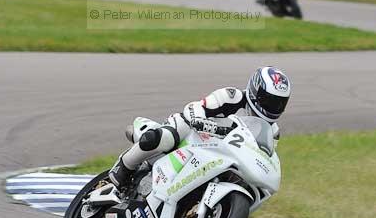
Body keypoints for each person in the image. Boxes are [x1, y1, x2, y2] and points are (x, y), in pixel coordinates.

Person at [108, 66, 291, 191]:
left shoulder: (273, 131)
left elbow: (262, 154)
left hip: (223, 156)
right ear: (255, 90)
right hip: (195, 134)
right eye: (269, 100)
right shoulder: (232, 96)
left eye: (279, 103)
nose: (272, 107)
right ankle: (124, 167)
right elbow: (195, 107)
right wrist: (200, 121)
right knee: (164, 137)